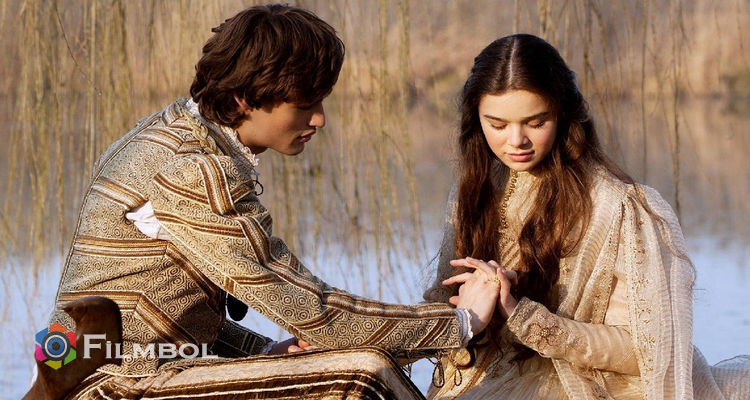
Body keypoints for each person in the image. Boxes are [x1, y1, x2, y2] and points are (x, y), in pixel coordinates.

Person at [37, 4, 503, 399]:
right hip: (109, 384)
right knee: (360, 375)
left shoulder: (170, 132)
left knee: (352, 362)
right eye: (305, 104)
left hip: (108, 366)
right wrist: (461, 323)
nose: (319, 119)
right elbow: (311, 310)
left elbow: (165, 310)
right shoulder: (192, 170)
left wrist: (262, 352)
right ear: (245, 98)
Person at [423, 33, 750, 399]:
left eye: (536, 122)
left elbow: (649, 352)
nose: (516, 140)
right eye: (497, 125)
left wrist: (521, 315)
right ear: (476, 119)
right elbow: (442, 307)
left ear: (563, 114)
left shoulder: (620, 207)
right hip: (483, 379)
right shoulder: (470, 195)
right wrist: (471, 312)